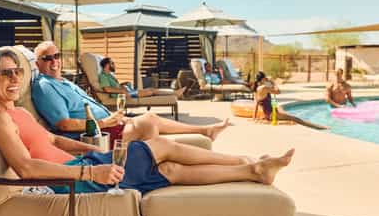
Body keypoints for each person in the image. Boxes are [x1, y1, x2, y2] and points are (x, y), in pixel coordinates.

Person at [0, 48, 295, 195]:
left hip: (84, 163)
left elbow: (53, 141)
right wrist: (90, 170)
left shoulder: (17, 112)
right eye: (4, 73)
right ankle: (248, 162)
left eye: (17, 71)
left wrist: (97, 151)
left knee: (170, 171)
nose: (14, 79)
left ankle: (254, 171)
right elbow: (27, 168)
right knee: (160, 144)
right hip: (71, 181)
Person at [32, 41, 231, 144]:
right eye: (47, 58)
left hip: (108, 123)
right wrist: (104, 122)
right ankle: (154, 163)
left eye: (56, 56)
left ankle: (204, 130)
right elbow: (64, 124)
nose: (54, 61)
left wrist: (112, 117)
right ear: (37, 62)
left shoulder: (64, 81)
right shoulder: (45, 86)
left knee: (150, 117)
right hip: (95, 135)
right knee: (149, 121)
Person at [253, 71, 328, 130]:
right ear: (263, 79)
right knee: (296, 119)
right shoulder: (264, 88)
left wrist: (254, 117)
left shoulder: (257, 88)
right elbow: (278, 91)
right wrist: (273, 82)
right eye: (265, 78)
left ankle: (319, 127)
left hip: (269, 114)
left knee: (284, 111)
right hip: (272, 114)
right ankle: (319, 127)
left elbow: (256, 103)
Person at [99, 57, 186, 99]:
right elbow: (107, 89)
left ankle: (174, 93)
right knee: (151, 91)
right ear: (107, 65)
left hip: (128, 91)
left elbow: (114, 86)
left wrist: (123, 85)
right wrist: (122, 91)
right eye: (112, 63)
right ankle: (175, 93)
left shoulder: (109, 75)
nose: (114, 65)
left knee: (152, 89)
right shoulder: (103, 76)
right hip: (123, 95)